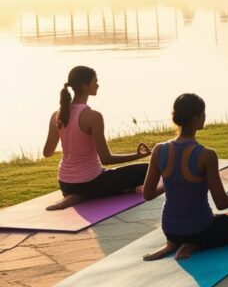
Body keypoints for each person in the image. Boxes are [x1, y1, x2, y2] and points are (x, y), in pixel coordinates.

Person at [142, 94, 228, 261]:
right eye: (203, 114)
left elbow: (148, 194)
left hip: (170, 230)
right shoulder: (206, 155)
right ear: (196, 118)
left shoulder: (159, 150)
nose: (205, 117)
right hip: (201, 229)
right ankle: (197, 243)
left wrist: (175, 181)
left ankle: (173, 244)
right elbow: (222, 202)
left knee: (214, 222)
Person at [42, 66, 151, 210]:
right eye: (95, 81)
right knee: (149, 169)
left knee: (108, 174)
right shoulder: (93, 117)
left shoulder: (58, 115)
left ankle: (79, 194)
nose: (98, 85)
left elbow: (47, 152)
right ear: (85, 86)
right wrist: (137, 155)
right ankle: (84, 194)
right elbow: (106, 158)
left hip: (65, 184)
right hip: (90, 183)